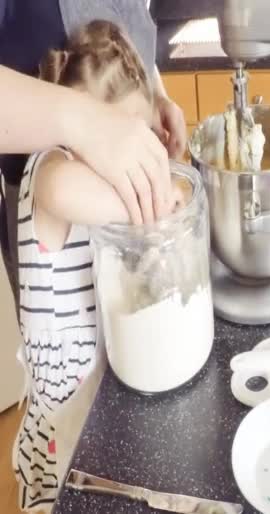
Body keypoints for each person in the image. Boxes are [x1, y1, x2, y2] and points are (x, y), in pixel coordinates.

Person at [11, 19, 187, 512]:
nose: (123, 173)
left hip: (95, 402)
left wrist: (159, 161)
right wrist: (160, 197)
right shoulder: (49, 169)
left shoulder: (95, 191)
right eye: (116, 154)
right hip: (58, 431)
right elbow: (64, 189)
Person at [0, 0, 187, 302]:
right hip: (56, 229)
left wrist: (154, 97)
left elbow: (125, 35)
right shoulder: (55, 179)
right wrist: (82, 121)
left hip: (118, 203)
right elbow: (58, 188)